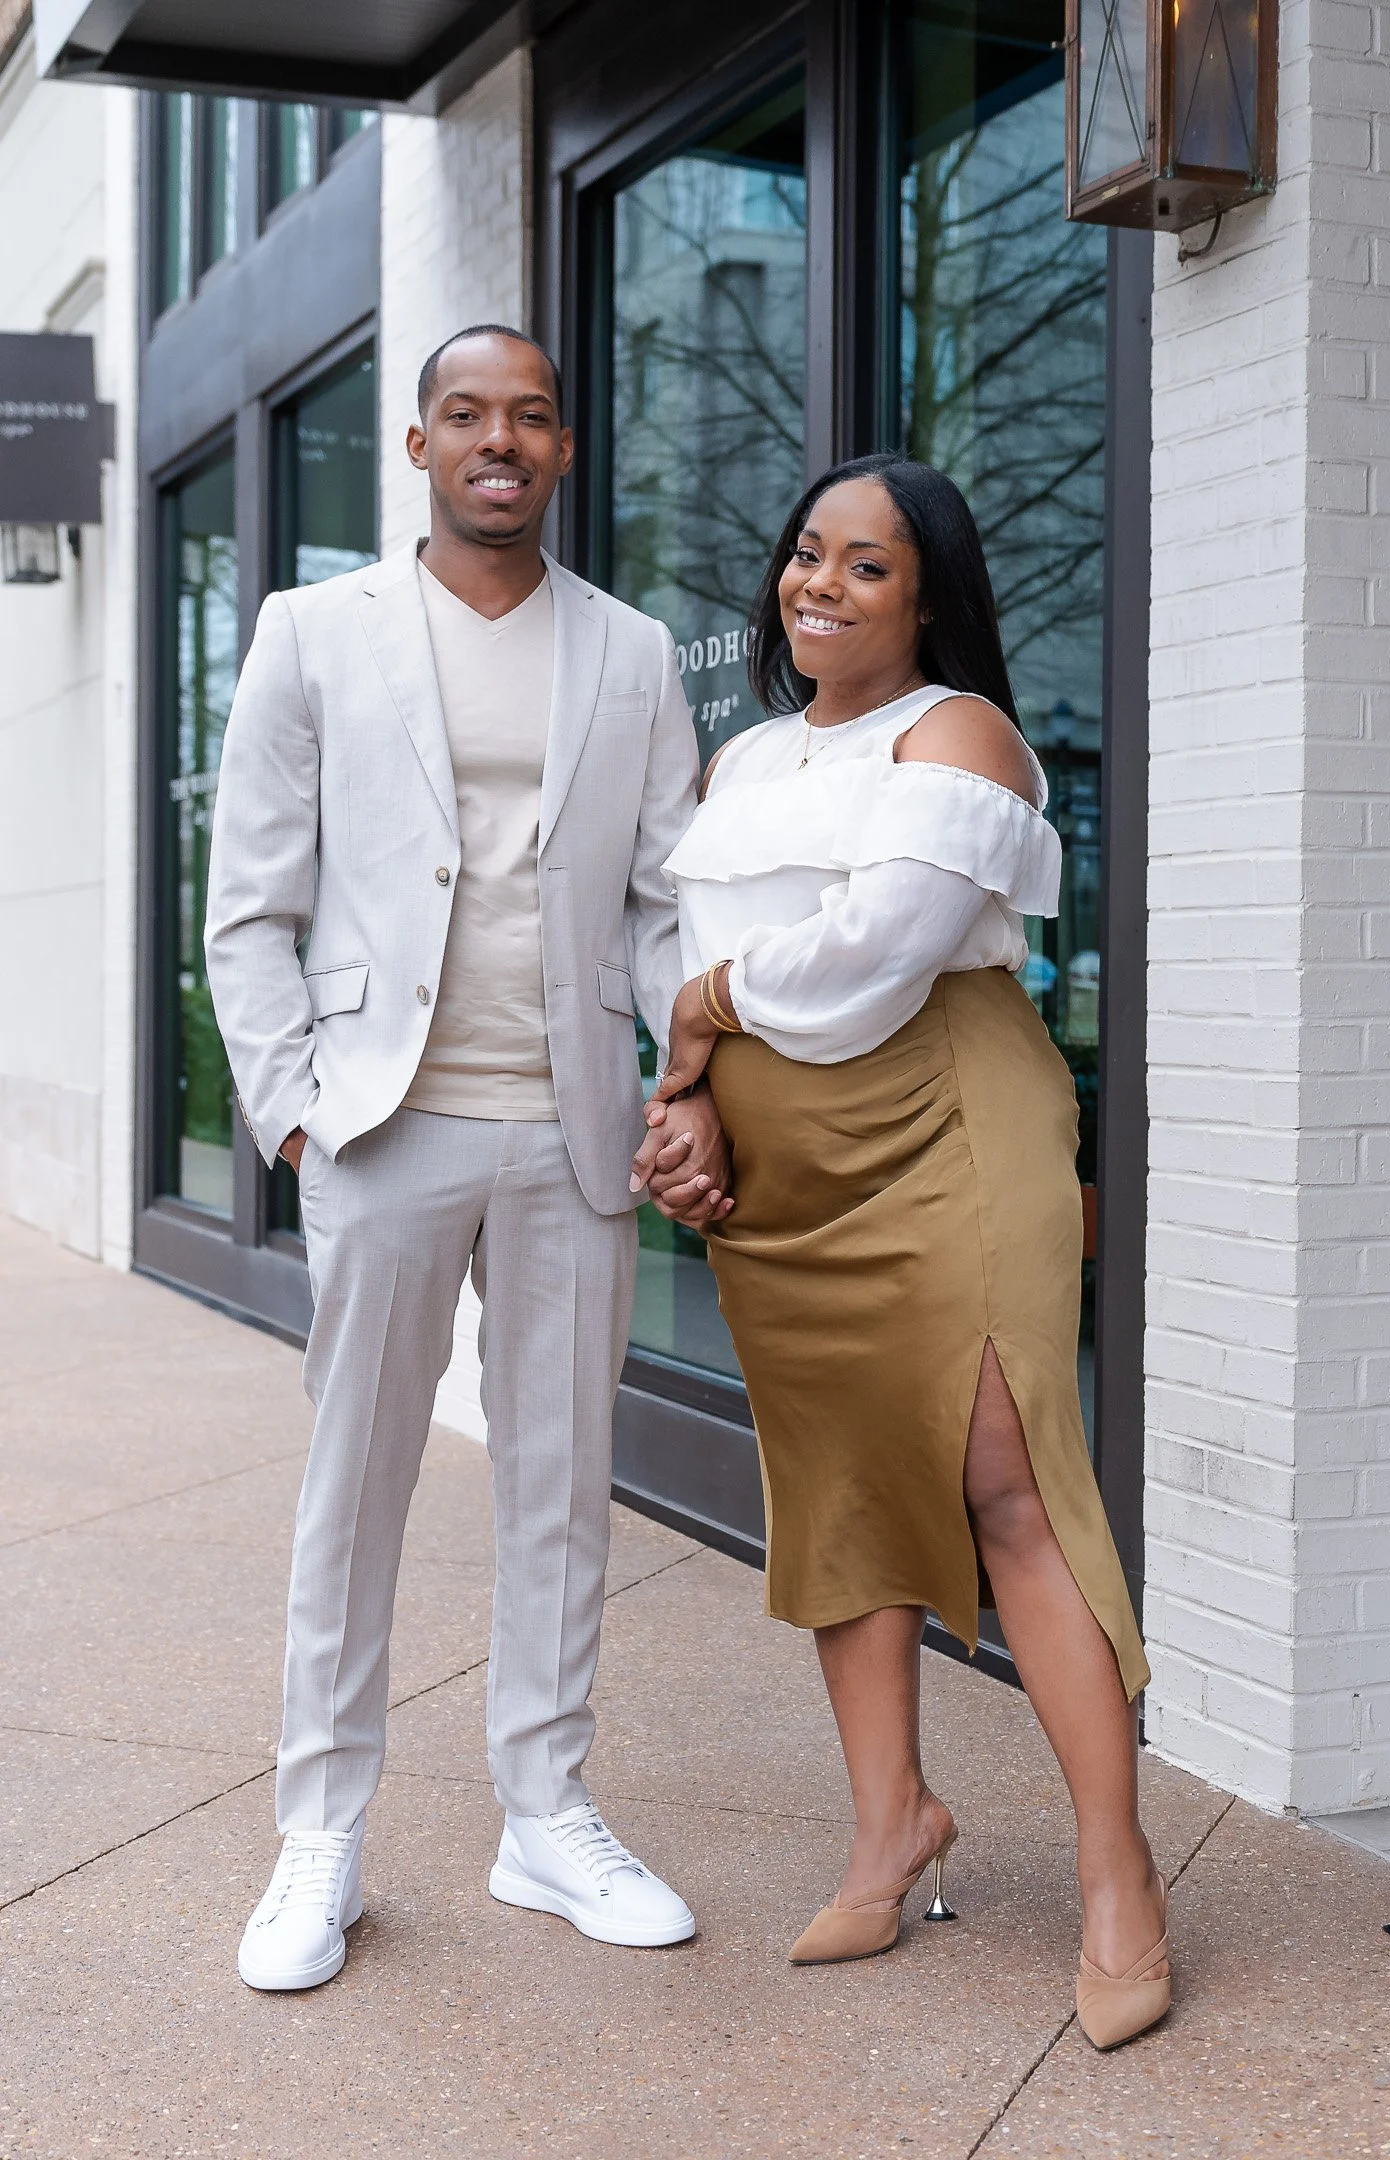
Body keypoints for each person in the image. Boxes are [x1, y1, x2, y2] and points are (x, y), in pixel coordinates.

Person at [205, 323, 733, 1993]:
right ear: (420, 446)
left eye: (530, 417)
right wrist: (291, 1107)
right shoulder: (311, 632)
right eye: (466, 416)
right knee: (353, 1486)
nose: (499, 440)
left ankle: (543, 1811)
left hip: (570, 1122)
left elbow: (663, 900)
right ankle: (323, 1834)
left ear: (563, 449)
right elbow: (251, 904)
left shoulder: (634, 652)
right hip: (380, 1119)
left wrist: (690, 1071)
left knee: (559, 1484)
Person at [640, 453, 1171, 2052]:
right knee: (847, 1481)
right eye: (809, 554)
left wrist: (703, 1019)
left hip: (946, 1125)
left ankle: (1117, 1876)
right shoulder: (737, 768)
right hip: (787, 1184)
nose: (821, 586)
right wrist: (688, 1105)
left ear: (929, 594)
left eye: (868, 567)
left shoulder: (962, 738)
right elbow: (695, 961)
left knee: (1008, 1485)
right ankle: (894, 1831)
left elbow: (874, 962)